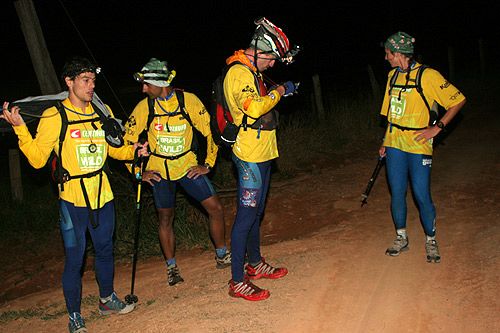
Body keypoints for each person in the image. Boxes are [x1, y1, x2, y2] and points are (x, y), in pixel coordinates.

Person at [1, 56, 147, 333]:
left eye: (93, 81)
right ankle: (75, 315)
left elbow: (112, 150)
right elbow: (36, 160)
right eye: (85, 80)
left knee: (105, 250)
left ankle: (106, 300)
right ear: (69, 82)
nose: (92, 87)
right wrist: (20, 128)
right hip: (72, 200)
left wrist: (133, 151)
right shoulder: (55, 116)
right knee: (75, 258)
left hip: (103, 195)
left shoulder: (100, 113)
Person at [123, 58, 231, 287]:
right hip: (159, 170)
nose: (143, 89)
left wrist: (208, 165)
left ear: (160, 83)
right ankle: (172, 268)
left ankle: (222, 254)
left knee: (216, 208)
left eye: (146, 84)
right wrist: (138, 173)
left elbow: (211, 131)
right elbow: (127, 142)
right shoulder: (145, 107)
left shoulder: (187, 101)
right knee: (165, 217)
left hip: (186, 166)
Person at [223, 17, 300, 301]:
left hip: (264, 152)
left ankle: (255, 264)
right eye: (272, 59)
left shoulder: (253, 72)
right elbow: (254, 108)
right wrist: (280, 91)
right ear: (259, 51)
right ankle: (236, 281)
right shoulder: (239, 74)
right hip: (249, 156)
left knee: (256, 213)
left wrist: (279, 90)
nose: (273, 64)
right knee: (245, 216)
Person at [379, 32, 466, 263]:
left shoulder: (428, 76)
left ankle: (431, 240)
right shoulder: (391, 76)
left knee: (421, 193)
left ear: (398, 54)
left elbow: (458, 100)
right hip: (395, 143)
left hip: (419, 144)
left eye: (388, 53)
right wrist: (384, 142)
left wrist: (437, 128)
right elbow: (390, 114)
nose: (386, 57)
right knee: (396, 192)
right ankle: (401, 237)